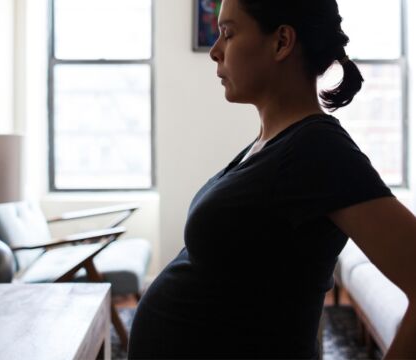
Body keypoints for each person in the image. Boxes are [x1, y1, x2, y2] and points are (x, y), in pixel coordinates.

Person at [128, 0, 416, 358]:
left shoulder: (318, 148)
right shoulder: (273, 142)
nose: (215, 52)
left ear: (281, 42)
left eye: (228, 34)